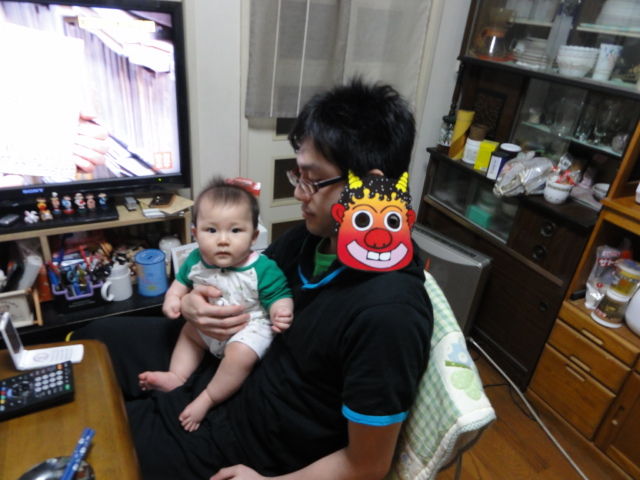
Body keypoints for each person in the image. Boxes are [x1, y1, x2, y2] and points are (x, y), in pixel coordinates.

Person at [74, 78, 433, 480]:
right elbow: (243, 276)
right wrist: (192, 303)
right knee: (96, 341)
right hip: (228, 362)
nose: (299, 194)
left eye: (312, 180)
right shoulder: (314, 238)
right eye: (299, 176)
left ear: (370, 184)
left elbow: (367, 465)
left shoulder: (389, 313)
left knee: (96, 446)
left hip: (247, 439)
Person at [138, 177, 294, 432]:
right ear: (195, 233)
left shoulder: (262, 268)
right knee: (188, 333)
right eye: (211, 230)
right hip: (206, 327)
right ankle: (177, 376)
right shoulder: (195, 259)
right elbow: (180, 283)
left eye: (235, 230)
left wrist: (281, 310)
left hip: (247, 327)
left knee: (241, 354)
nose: (223, 240)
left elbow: (280, 294)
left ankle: (208, 398)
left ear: (254, 236)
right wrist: (173, 298)